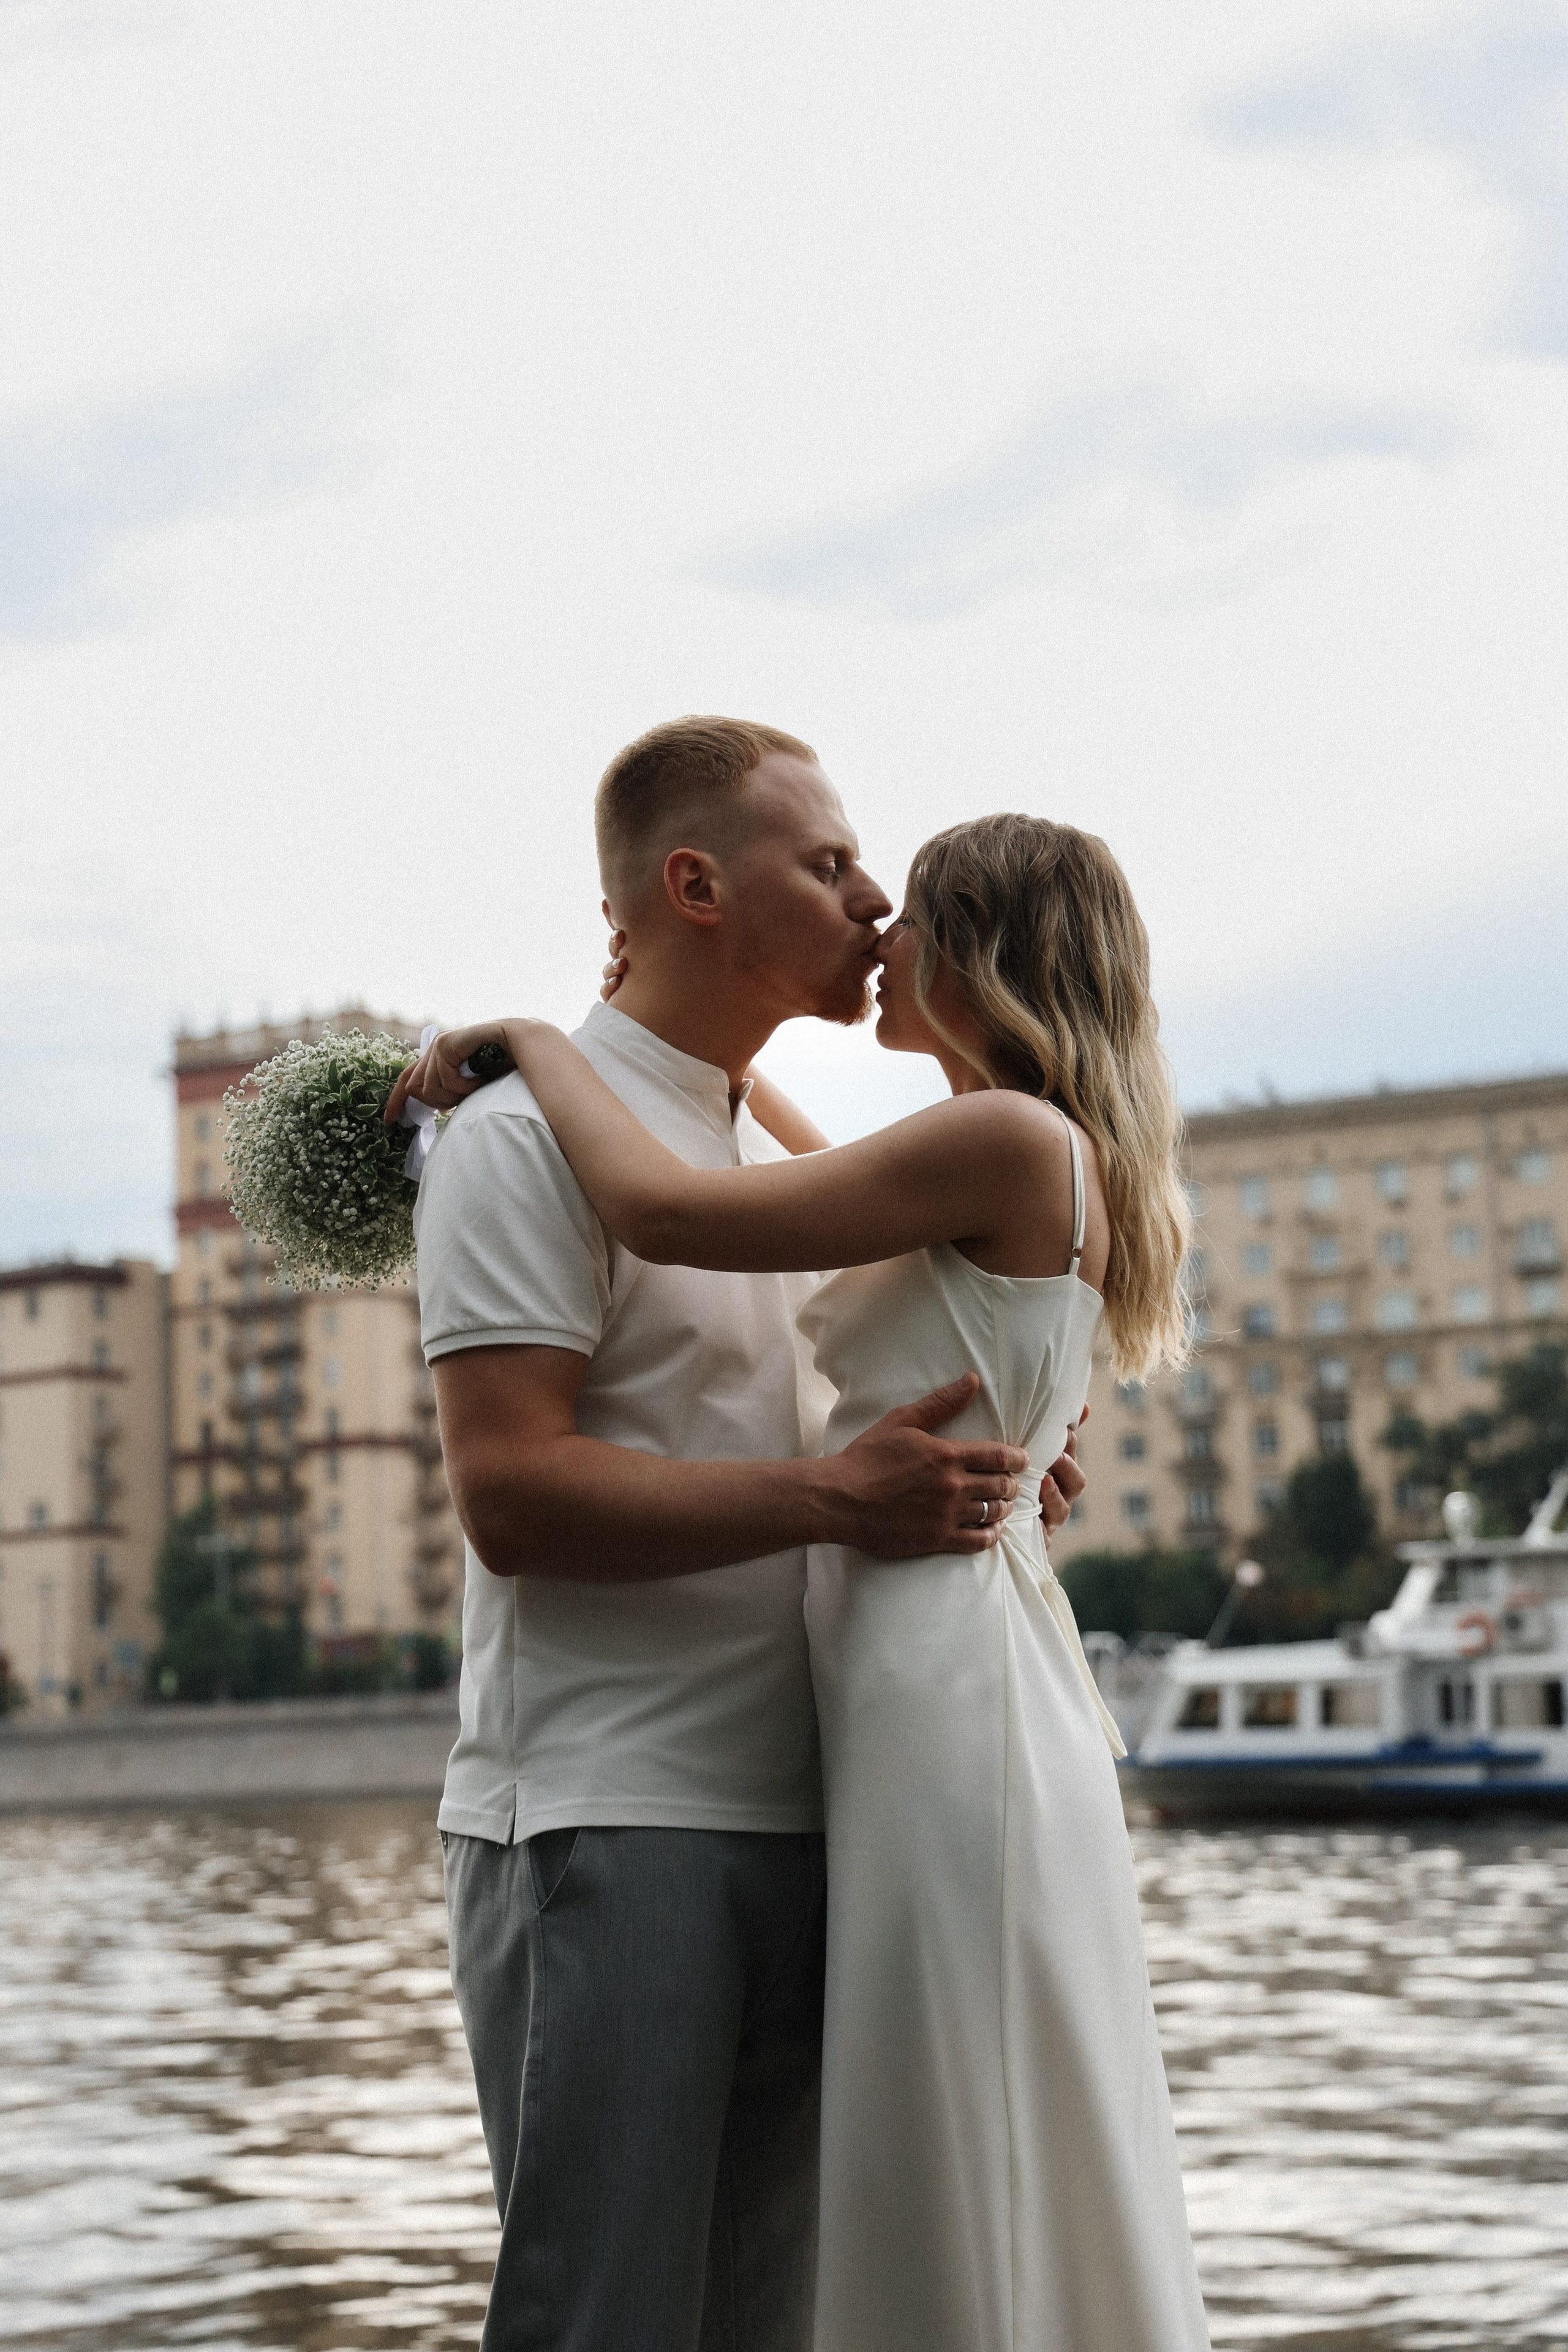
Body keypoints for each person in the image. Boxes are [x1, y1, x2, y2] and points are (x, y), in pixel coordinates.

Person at [398, 807, 1212, 2351]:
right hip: (917, 1676)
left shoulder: (998, 1142)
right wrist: (678, 1058)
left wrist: (524, 1038)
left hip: (936, 1681)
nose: (874, 926)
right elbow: (777, 1172)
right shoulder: (1010, 1145)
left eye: (901, 908)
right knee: (956, 2102)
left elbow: (664, 1210)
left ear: (975, 956)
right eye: (845, 880)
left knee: (953, 2098)